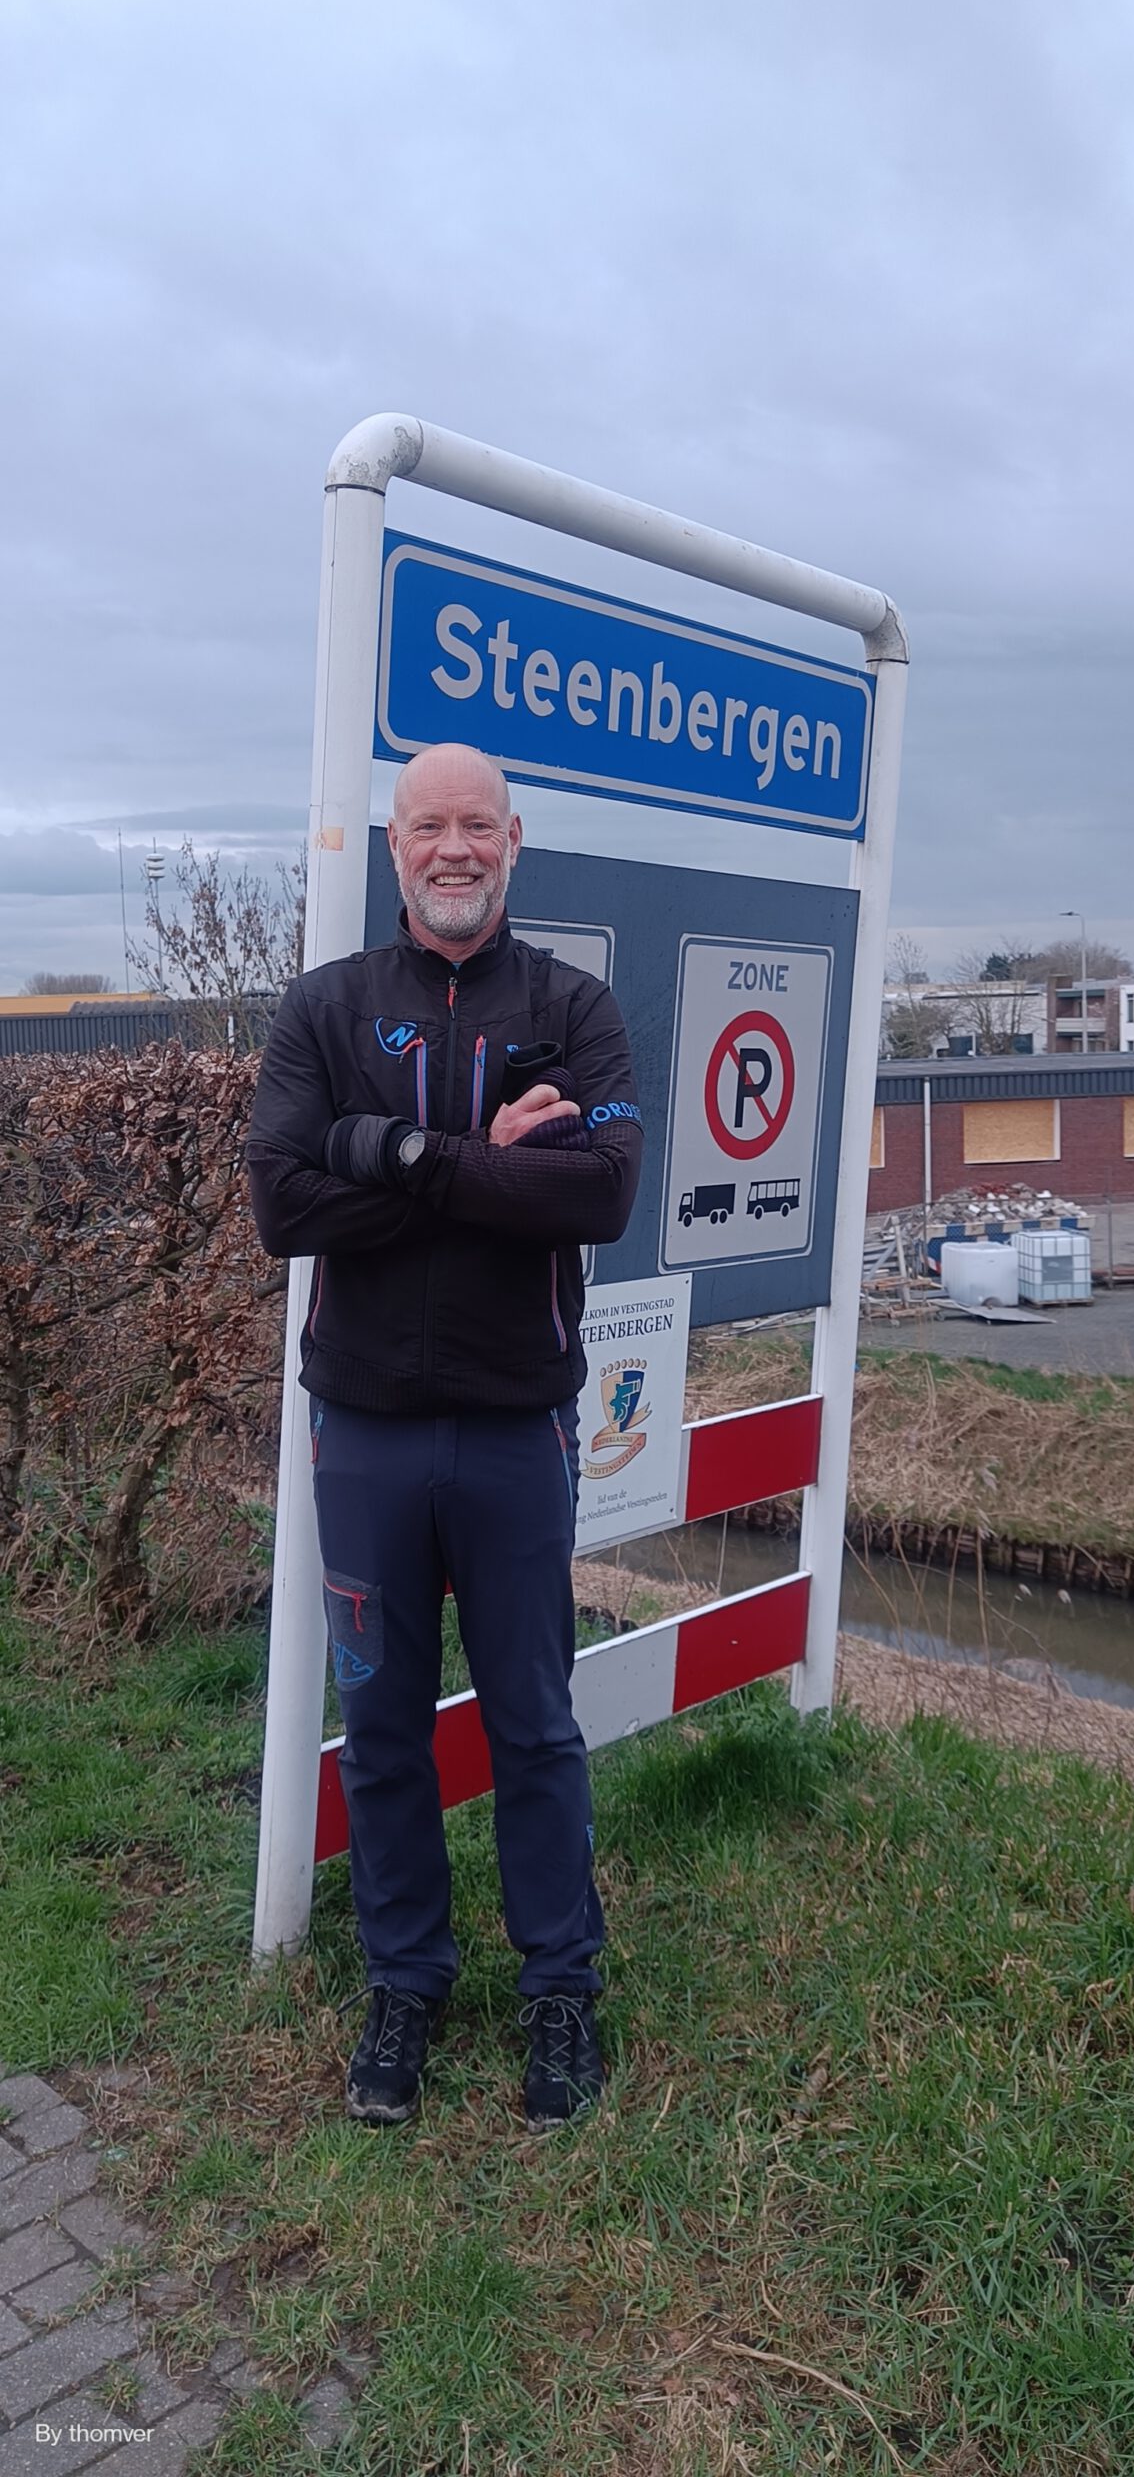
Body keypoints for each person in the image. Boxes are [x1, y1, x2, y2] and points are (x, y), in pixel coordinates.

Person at [247, 742, 643, 2131]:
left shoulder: (575, 1007)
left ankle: (560, 1987)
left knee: (533, 1720)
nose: (455, 848)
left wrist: (387, 1150)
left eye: (479, 824)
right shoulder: (328, 1006)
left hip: (516, 1425)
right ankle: (405, 1981)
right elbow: (283, 1207)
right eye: (430, 826)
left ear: (513, 841)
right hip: (363, 1430)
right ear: (396, 846)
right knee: (382, 1725)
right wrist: (476, 1160)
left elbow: (599, 1194)